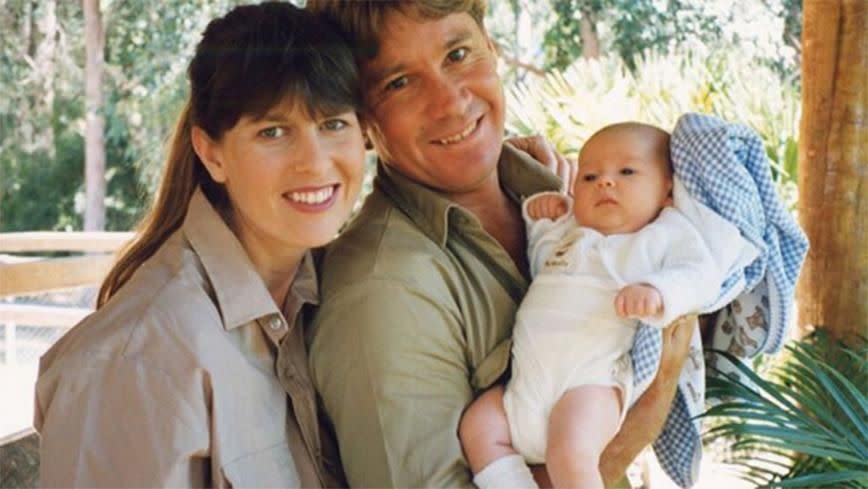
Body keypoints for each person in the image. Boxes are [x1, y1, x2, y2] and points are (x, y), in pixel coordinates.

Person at [304, 1, 696, 487]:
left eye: (458, 54)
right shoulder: (382, 294)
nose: (450, 102)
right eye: (398, 83)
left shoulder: (561, 196)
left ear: (492, 50)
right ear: (362, 122)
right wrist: (646, 406)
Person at [33, 3, 365, 486]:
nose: (315, 163)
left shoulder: (327, 297)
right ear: (212, 154)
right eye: (273, 132)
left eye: (334, 124)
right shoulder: (139, 361)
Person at [459, 122, 724, 488]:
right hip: (524, 387)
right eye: (589, 176)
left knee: (570, 455)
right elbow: (543, 263)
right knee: (478, 426)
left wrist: (659, 291)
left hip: (588, 383)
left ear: (667, 189)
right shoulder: (572, 231)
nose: (605, 182)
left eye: (626, 172)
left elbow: (702, 275)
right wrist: (542, 220)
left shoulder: (662, 235)